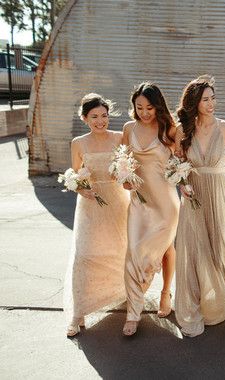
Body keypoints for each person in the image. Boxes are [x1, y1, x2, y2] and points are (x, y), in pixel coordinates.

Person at [174, 75, 225, 337]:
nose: (211, 103)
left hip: (219, 192)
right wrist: (181, 183)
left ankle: (222, 293)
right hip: (192, 194)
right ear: (194, 102)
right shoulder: (183, 130)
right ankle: (199, 303)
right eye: (205, 99)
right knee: (194, 248)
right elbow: (177, 164)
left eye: (213, 98)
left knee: (219, 244)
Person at [63, 93, 129, 337]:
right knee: (85, 255)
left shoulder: (121, 137)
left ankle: (125, 296)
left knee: (119, 250)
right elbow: (74, 176)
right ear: (84, 118)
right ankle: (78, 313)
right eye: (94, 117)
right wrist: (82, 188)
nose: (101, 121)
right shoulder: (78, 143)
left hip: (117, 200)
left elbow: (129, 169)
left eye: (104, 115)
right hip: (90, 205)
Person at [122, 82, 180, 336]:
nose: (145, 112)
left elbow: (180, 164)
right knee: (134, 252)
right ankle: (133, 313)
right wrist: (123, 177)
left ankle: (166, 293)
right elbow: (123, 161)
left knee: (166, 249)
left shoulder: (170, 129)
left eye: (149, 107)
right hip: (139, 201)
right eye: (139, 107)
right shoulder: (128, 128)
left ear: (158, 107)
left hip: (166, 202)